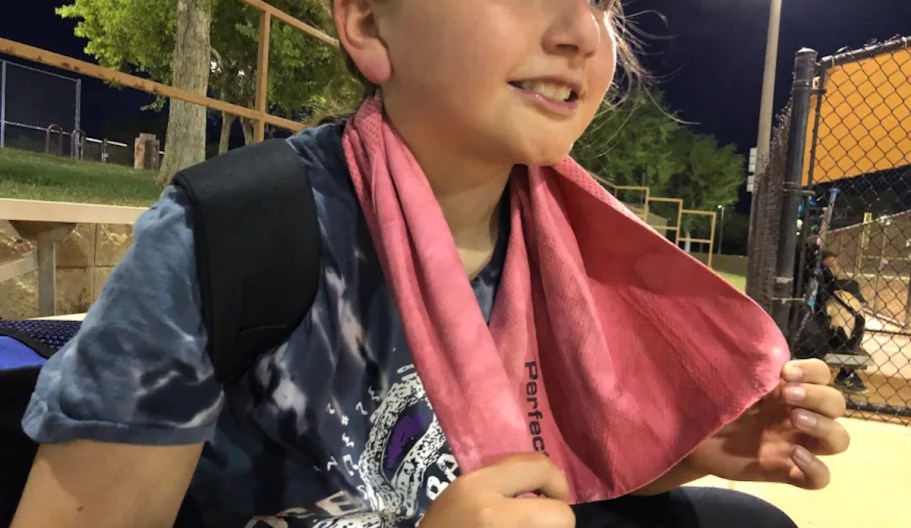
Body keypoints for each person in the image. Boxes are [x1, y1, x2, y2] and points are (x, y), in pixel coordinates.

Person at [12, 1, 850, 527]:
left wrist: (685, 451)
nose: (578, 33)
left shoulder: (581, 245)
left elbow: (543, 477)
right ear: (368, 24)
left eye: (599, 0)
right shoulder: (229, 234)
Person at [820, 250, 869, 393]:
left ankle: (846, 372)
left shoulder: (843, 286)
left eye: (837, 265)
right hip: (828, 331)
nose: (835, 268)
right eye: (830, 266)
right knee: (840, 312)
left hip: (842, 334)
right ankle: (846, 373)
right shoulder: (819, 285)